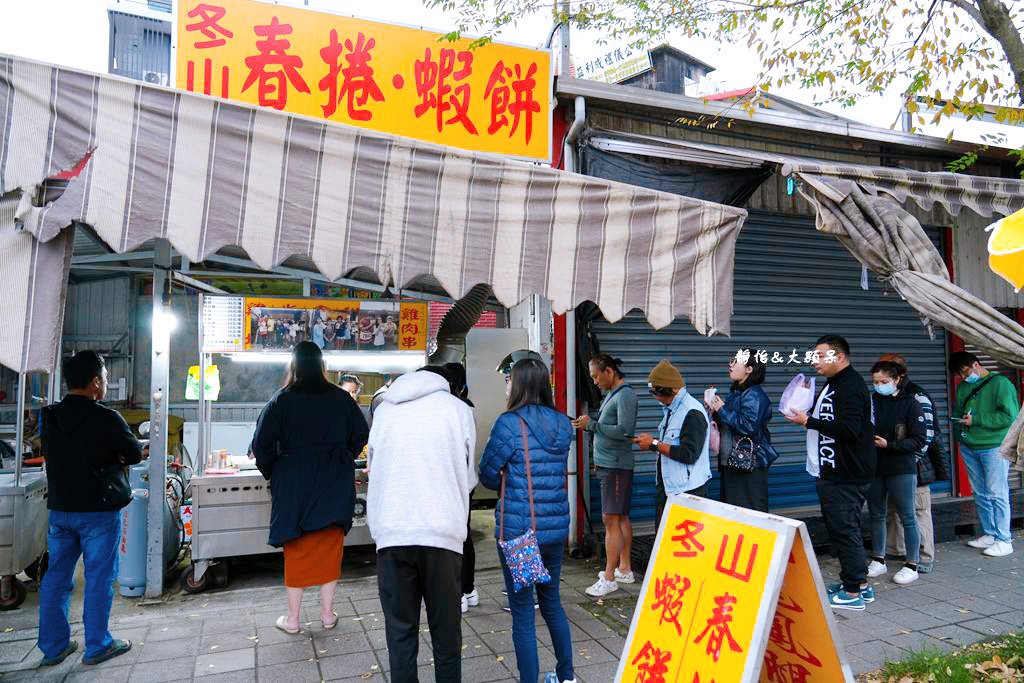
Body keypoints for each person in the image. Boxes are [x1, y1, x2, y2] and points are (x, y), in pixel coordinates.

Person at [251, 342, 369, 635]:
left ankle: (292, 619)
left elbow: (261, 445)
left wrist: (277, 471)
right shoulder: (341, 398)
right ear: (321, 366)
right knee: (330, 544)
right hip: (333, 479)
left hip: (294, 484)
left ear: (294, 366)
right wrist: (342, 456)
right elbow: (361, 433)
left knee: (297, 546)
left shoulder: (281, 400)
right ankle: (327, 614)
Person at [367, 366, 476, 683]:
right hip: (442, 534)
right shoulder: (458, 409)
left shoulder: (385, 411)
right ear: (445, 383)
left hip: (392, 533)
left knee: (400, 636)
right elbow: (469, 478)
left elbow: (374, 467)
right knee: (447, 637)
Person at [38, 351, 143, 666]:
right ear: (96, 382)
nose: (106, 383)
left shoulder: (50, 416)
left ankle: (54, 647)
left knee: (56, 578)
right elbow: (134, 454)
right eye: (106, 378)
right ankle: (97, 645)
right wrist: (115, 455)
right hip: (97, 513)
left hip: (60, 511)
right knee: (98, 577)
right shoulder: (106, 417)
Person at [479, 357, 576, 683]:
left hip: (521, 534)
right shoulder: (563, 424)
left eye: (508, 379)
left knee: (522, 615)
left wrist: (506, 473)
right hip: (553, 530)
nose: (506, 385)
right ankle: (566, 676)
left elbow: (488, 476)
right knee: (552, 605)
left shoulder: (508, 424)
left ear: (518, 385)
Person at [785, 335, 876, 611]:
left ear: (839, 356)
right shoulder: (836, 384)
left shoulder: (850, 385)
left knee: (844, 529)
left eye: (820, 355)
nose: (815, 361)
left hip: (845, 473)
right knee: (844, 529)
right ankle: (859, 585)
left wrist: (809, 421)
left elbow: (850, 429)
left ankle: (852, 593)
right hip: (833, 470)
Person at [573, 353, 638, 598]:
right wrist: (590, 422)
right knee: (619, 518)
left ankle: (609, 577)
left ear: (608, 372)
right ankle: (624, 568)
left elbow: (625, 431)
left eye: (596, 376)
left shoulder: (626, 395)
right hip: (612, 466)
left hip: (616, 467)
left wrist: (592, 425)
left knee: (611, 519)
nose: (595, 382)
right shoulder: (613, 394)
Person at [878, 353, 950, 575]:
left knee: (918, 510)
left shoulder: (917, 395)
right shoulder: (886, 397)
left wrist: (908, 459)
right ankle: (896, 550)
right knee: (892, 510)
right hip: (891, 464)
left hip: (913, 465)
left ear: (899, 375)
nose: (881, 382)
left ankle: (924, 557)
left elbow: (927, 435)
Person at [949, 350, 1019, 557]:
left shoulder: (1001, 384)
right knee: (980, 492)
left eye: (965, 371)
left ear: (976, 364)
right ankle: (990, 534)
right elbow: (958, 410)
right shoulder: (963, 386)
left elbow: (1010, 416)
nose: (963, 377)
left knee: (997, 492)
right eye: (960, 375)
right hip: (970, 445)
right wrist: (959, 425)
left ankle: (1004, 540)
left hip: (994, 446)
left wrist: (977, 420)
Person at [866, 359, 926, 585]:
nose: (879, 385)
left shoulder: (911, 403)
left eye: (884, 381)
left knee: (907, 516)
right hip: (874, 467)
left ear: (897, 379)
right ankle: (878, 559)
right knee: (876, 514)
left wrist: (889, 445)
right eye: (875, 381)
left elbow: (919, 439)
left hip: (901, 468)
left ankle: (912, 564)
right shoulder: (870, 402)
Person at [633, 360, 711, 525]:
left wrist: (653, 443)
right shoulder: (672, 409)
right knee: (665, 542)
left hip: (687, 492)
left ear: (671, 390)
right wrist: (652, 442)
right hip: (671, 488)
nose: (655, 397)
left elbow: (688, 454)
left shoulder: (692, 412)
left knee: (682, 546)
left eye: (656, 392)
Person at [705, 350, 779, 513]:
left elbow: (748, 426)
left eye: (736, 361)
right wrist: (714, 411)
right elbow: (729, 424)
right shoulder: (736, 394)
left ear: (749, 369)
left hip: (748, 465)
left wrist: (722, 410)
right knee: (734, 514)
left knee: (750, 515)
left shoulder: (755, 395)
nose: (730, 364)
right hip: (734, 463)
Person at [443, 361, 480, 615]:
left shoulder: (451, 408)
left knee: (453, 538)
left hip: (451, 480)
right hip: (466, 481)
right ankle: (469, 589)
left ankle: (458, 593)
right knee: (464, 535)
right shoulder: (467, 407)